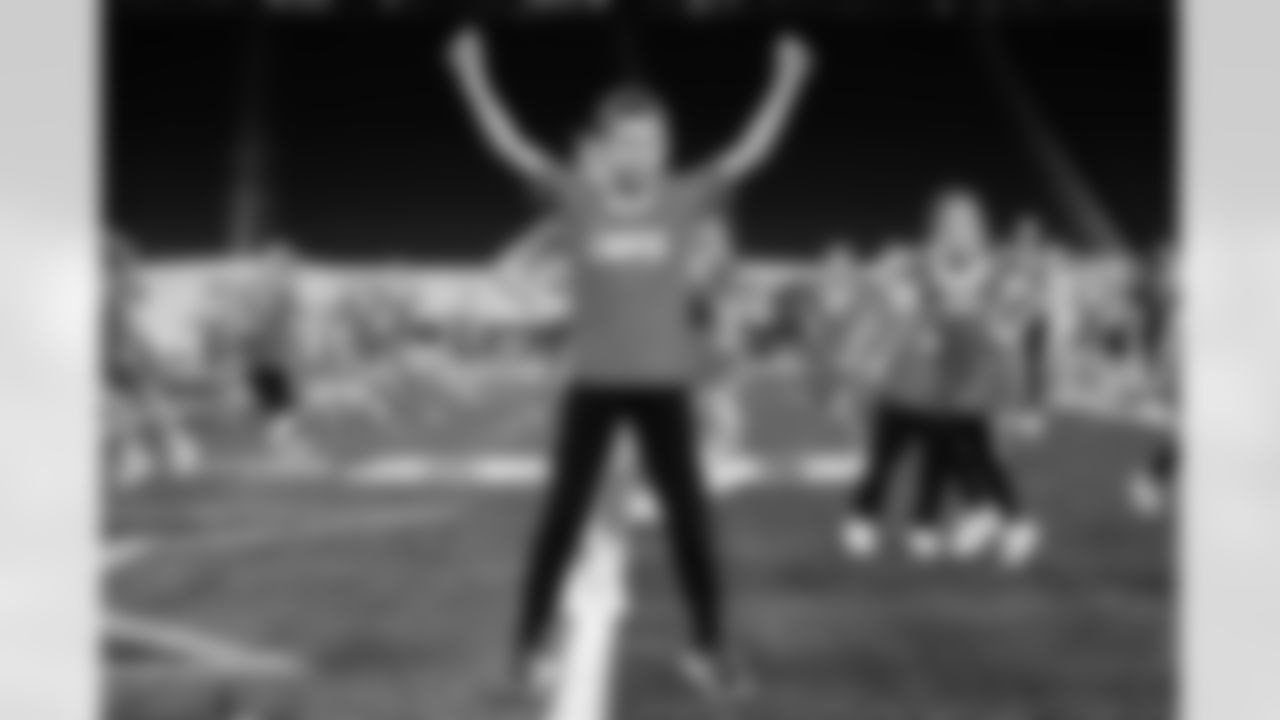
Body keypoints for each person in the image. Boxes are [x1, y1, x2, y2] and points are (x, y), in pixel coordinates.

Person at [445, 24, 815, 702]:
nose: (640, 152)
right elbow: (508, 142)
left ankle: (707, 649)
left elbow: (751, 149)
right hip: (592, 387)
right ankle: (527, 647)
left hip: (666, 390)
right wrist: (473, 75)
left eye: (651, 140)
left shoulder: (683, 198)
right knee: (561, 517)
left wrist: (786, 80)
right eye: (626, 141)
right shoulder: (577, 199)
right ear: (606, 148)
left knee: (691, 521)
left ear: (665, 146)